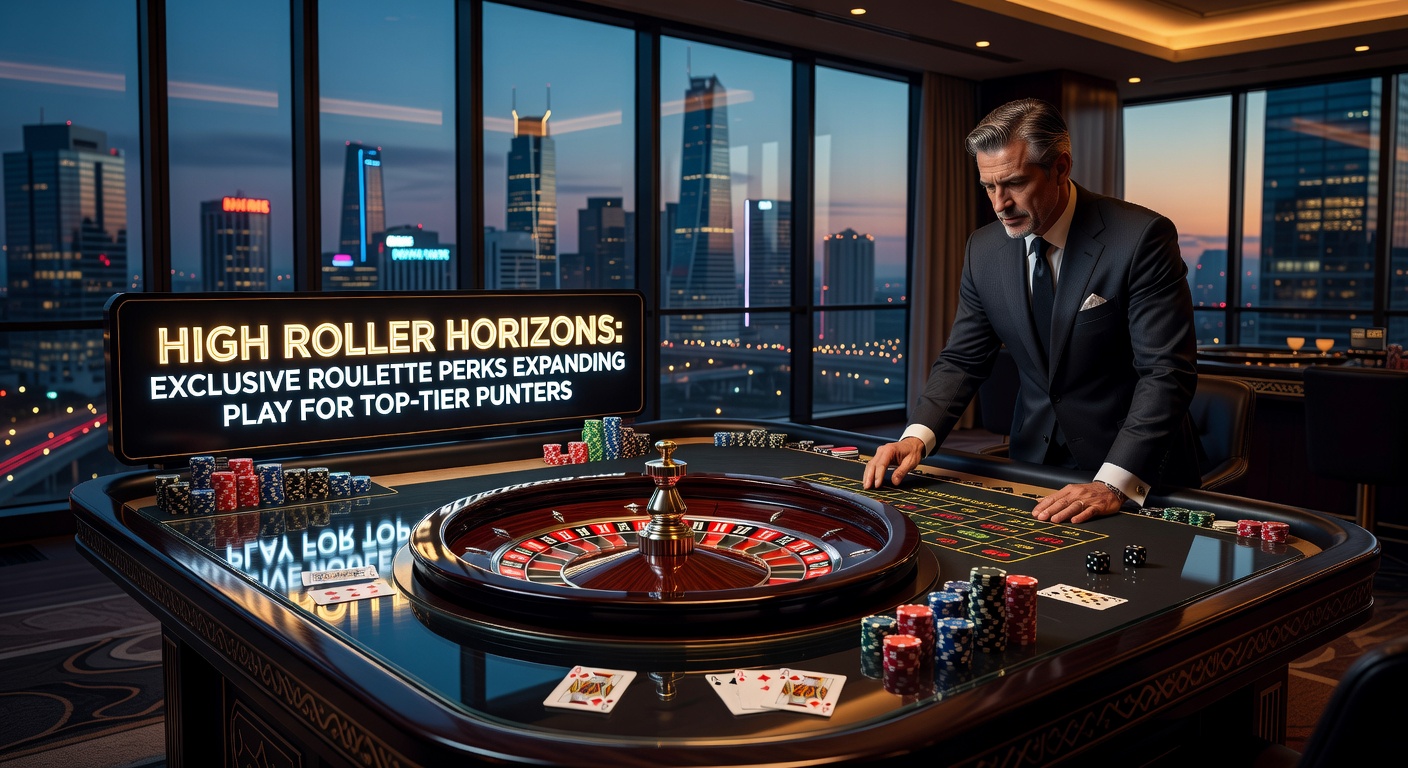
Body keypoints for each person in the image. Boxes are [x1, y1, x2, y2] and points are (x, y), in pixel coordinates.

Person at [863, 98, 1202, 525]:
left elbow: (1166, 373)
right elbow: (963, 358)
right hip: (1034, 464)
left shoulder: (1140, 238)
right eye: (989, 186)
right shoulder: (983, 249)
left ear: (1060, 167)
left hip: (1132, 472)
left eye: (1015, 183)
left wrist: (1113, 483)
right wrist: (917, 436)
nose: (999, 204)